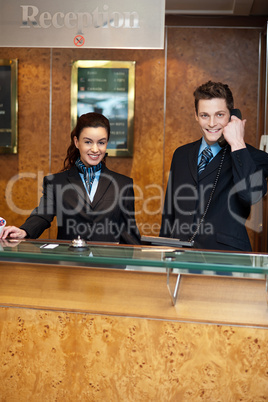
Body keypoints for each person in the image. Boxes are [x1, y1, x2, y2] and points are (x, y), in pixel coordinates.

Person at [160, 81, 268, 251]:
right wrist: (163, 251)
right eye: (204, 115)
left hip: (225, 259)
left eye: (219, 115)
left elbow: (250, 196)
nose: (211, 123)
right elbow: (170, 212)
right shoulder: (181, 154)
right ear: (196, 115)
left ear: (232, 116)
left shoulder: (255, 157)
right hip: (181, 257)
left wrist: (238, 144)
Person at [1, 112, 140, 244]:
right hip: (70, 264)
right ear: (76, 142)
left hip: (108, 265)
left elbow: (129, 234)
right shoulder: (55, 182)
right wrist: (24, 231)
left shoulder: (123, 184)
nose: (95, 149)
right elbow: (43, 215)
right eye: (88, 142)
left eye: (101, 143)